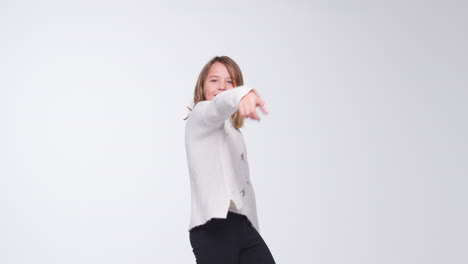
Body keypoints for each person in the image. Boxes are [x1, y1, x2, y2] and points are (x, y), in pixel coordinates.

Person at [183, 56, 276, 263]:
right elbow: (217, 106)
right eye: (214, 80)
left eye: (230, 82)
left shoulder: (234, 132)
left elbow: (245, 187)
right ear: (203, 86)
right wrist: (243, 93)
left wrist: (254, 230)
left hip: (242, 225)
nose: (222, 87)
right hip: (213, 227)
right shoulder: (200, 116)